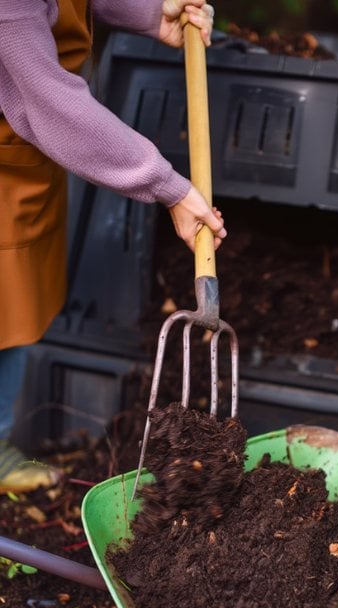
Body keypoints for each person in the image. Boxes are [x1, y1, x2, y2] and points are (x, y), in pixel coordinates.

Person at [0, 0, 226, 493]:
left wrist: (149, 12)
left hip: (21, 165)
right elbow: (49, 101)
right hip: (31, 131)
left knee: (10, 309)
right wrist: (168, 187)